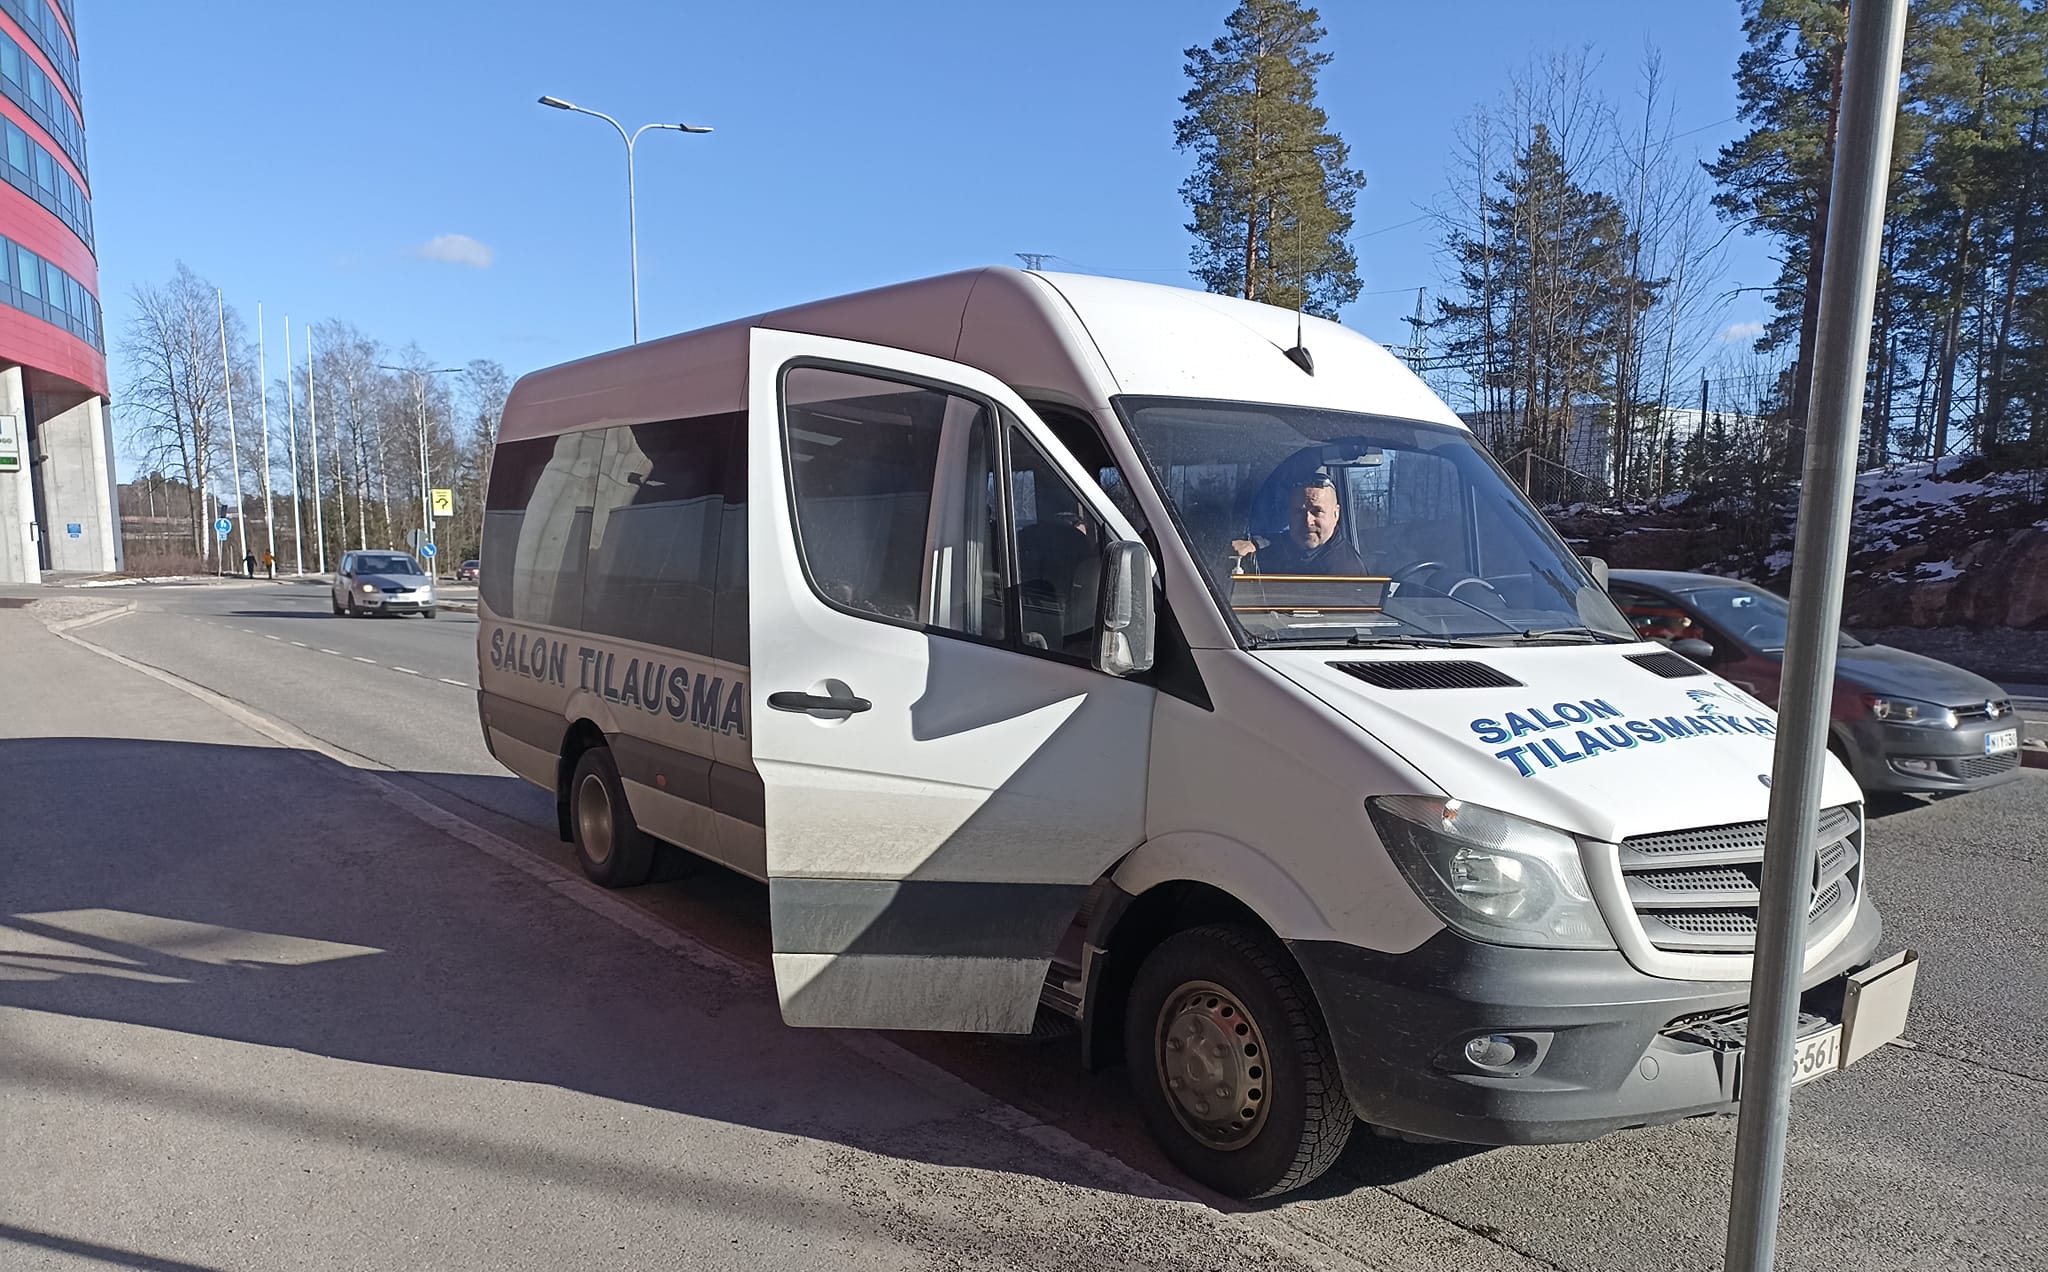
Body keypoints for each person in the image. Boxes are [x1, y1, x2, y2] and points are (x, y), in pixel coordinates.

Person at [1230, 476, 1368, 575]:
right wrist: (1256, 544)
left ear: (1336, 514)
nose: (1308, 521)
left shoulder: (1346, 572)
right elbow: (1282, 541)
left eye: (1317, 511)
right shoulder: (1295, 545)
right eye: (1299, 512)